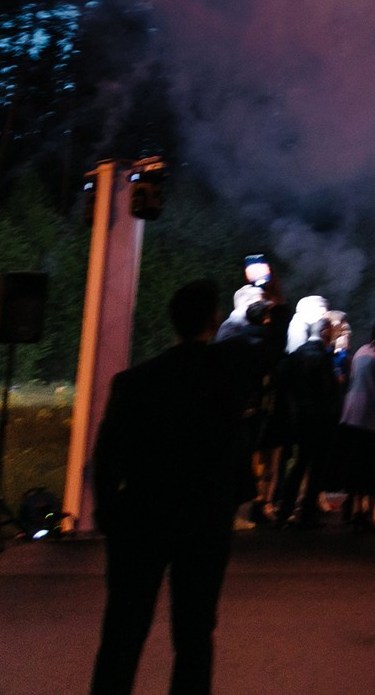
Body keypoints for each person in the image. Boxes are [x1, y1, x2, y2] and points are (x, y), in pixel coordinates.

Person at [90, 278, 287, 695]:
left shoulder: (134, 382)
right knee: (195, 635)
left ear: (173, 322)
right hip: (206, 519)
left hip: (142, 519)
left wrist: (110, 516)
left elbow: (106, 459)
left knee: (123, 635)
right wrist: (278, 305)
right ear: (214, 320)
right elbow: (271, 350)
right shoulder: (231, 367)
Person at [272, 315, 343, 528]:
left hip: (301, 417)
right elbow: (328, 389)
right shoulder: (322, 356)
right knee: (317, 467)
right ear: (323, 333)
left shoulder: (298, 354)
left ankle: (285, 510)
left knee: (300, 464)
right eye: (331, 331)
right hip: (320, 418)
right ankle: (307, 513)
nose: (334, 335)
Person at [337, 316, 375, 532]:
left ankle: (355, 509)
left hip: (352, 415)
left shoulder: (362, 352)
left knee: (356, 466)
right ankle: (371, 514)